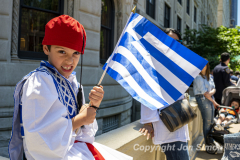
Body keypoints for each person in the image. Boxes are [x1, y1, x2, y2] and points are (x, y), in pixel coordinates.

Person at [8, 15, 132, 160]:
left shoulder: (73, 83)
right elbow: (39, 139)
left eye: (76, 53)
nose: (70, 60)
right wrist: (80, 120)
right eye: (62, 52)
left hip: (73, 149)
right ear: (46, 49)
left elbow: (84, 134)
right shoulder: (40, 81)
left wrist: (93, 106)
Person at [139, 28, 190, 160]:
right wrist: (148, 122)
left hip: (180, 122)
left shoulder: (176, 64)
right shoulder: (154, 63)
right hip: (167, 126)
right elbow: (147, 92)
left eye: (177, 42)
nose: (174, 44)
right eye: (169, 41)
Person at [193, 61, 220, 145]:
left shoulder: (210, 77)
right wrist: (214, 102)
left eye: (204, 65)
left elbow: (214, 88)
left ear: (207, 66)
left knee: (211, 121)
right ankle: (208, 143)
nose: (202, 67)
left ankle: (210, 141)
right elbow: (204, 93)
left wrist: (211, 93)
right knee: (208, 121)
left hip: (210, 98)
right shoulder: (198, 77)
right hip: (202, 99)